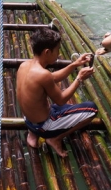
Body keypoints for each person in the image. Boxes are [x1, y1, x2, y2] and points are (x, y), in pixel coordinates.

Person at [16, 25, 97, 157]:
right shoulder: (43, 75)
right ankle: (54, 138)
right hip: (44, 125)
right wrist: (79, 78)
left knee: (58, 107)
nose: (59, 53)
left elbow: (52, 77)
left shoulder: (25, 65)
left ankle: (32, 133)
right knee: (92, 109)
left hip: (29, 121)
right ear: (47, 52)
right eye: (57, 50)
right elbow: (60, 100)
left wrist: (75, 64)